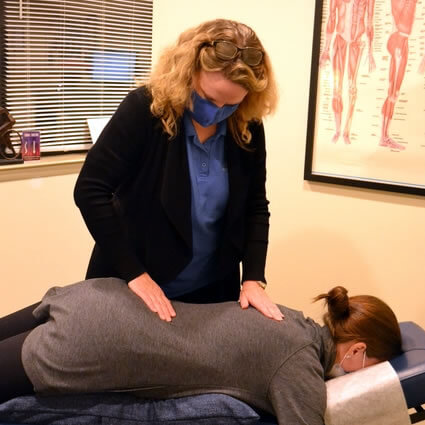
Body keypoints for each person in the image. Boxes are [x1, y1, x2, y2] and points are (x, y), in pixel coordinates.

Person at [73, 18, 280, 323]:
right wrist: (135, 274)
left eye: (230, 104)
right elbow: (90, 190)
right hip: (134, 286)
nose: (218, 112)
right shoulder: (146, 110)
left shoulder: (246, 126)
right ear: (188, 72)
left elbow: (254, 207)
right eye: (210, 99)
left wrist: (252, 278)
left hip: (210, 293)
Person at [0, 278, 402, 425]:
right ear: (359, 350)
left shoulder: (291, 318)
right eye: (371, 368)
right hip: (96, 341)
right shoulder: (299, 366)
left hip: (97, 295)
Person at [319, 0, 375, 144]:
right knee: (336, 88)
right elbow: (331, 18)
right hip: (340, 40)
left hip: (357, 42)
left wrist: (370, 52)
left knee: (352, 87)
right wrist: (325, 50)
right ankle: (338, 130)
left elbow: (370, 21)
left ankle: (346, 131)